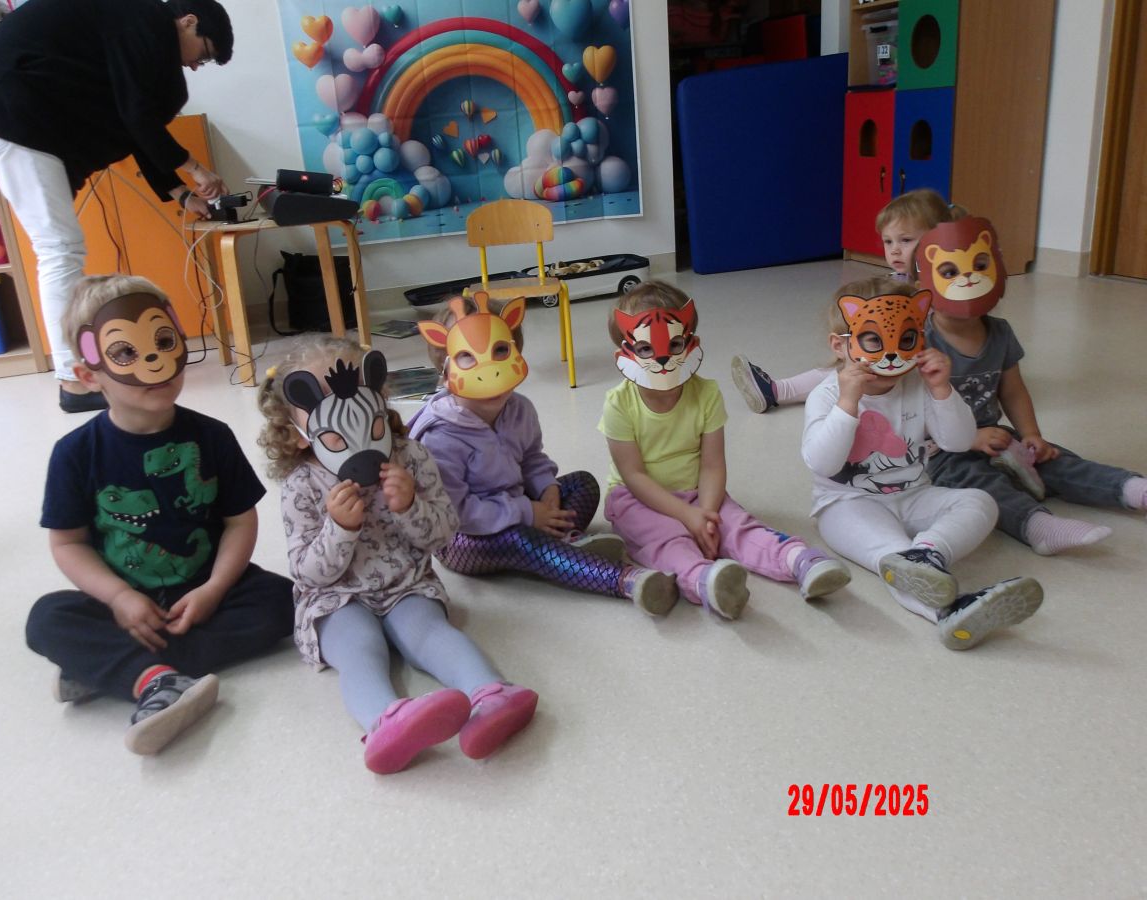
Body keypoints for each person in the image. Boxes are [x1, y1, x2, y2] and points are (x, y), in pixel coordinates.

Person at [25, 275, 293, 754]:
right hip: (124, 603)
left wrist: (214, 589)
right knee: (46, 618)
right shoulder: (74, 453)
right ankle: (152, 677)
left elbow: (239, 520)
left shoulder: (212, 436)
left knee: (286, 601)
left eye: (165, 342)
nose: (153, 363)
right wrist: (119, 597)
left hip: (207, 591)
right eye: (125, 353)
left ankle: (117, 667)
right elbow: (67, 542)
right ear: (89, 375)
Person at [258, 335, 538, 774]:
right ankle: (386, 722)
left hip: (405, 582)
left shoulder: (411, 457)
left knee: (430, 633)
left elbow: (443, 533)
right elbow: (308, 573)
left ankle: (491, 695)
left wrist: (410, 505)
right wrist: (340, 528)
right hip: (336, 598)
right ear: (297, 435)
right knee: (359, 649)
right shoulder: (300, 486)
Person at [0, 0, 234, 413]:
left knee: (60, 249)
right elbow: (137, 116)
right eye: (203, 54)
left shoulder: (136, 32)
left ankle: (76, 375)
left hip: (18, 114)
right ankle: (72, 381)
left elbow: (138, 129)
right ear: (189, 22)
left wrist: (182, 194)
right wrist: (195, 168)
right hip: (9, 109)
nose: (193, 66)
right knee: (59, 249)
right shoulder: (145, 19)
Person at [801, 275, 1043, 649]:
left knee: (980, 502)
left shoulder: (918, 384)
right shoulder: (826, 395)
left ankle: (930, 552)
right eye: (873, 341)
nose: (892, 353)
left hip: (914, 494)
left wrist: (942, 389)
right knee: (895, 557)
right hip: (847, 505)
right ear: (840, 345)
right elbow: (822, 463)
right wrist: (848, 403)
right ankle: (949, 612)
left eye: (906, 339)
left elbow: (957, 441)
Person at [407, 293, 680, 617]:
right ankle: (625, 580)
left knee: (584, 484)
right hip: (463, 537)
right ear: (445, 369)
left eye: (500, 351)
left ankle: (556, 551)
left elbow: (532, 459)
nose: (488, 370)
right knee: (519, 539)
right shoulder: (440, 436)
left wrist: (547, 489)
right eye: (468, 357)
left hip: (518, 505)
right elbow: (458, 513)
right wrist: (526, 513)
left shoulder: (519, 408)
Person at [599, 281, 852, 620]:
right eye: (645, 349)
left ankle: (798, 560)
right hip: (636, 498)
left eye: (675, 344)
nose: (663, 359)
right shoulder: (618, 403)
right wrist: (687, 517)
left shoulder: (706, 393)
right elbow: (633, 475)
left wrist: (706, 515)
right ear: (625, 352)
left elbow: (712, 465)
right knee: (668, 539)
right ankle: (704, 581)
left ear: (691, 342)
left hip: (698, 492)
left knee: (736, 526)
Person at [915, 216, 1147, 555]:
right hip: (940, 449)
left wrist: (1032, 435)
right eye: (949, 272)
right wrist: (968, 438)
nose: (968, 278)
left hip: (995, 434)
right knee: (979, 485)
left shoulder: (1000, 332)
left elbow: (1013, 390)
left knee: (1056, 460)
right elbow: (908, 408)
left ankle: (1131, 489)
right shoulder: (921, 340)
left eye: (980, 266)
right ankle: (1037, 526)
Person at [731, 189, 964, 414]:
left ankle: (779, 390)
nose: (894, 250)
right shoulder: (894, 284)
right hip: (889, 363)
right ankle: (776, 390)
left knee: (845, 369)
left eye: (905, 240)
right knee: (845, 364)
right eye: (888, 241)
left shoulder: (949, 289)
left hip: (927, 375)